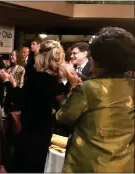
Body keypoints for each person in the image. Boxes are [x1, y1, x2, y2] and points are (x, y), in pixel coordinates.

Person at [57, 27, 135, 172]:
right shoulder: (132, 86)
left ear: (100, 60)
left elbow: (63, 116)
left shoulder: (89, 89)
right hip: (125, 165)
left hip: (90, 164)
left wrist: (73, 86)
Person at [14, 40, 79, 173]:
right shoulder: (58, 80)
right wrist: (72, 87)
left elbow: (22, 101)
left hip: (33, 130)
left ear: (41, 56)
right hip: (43, 129)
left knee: (29, 164)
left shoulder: (36, 77)